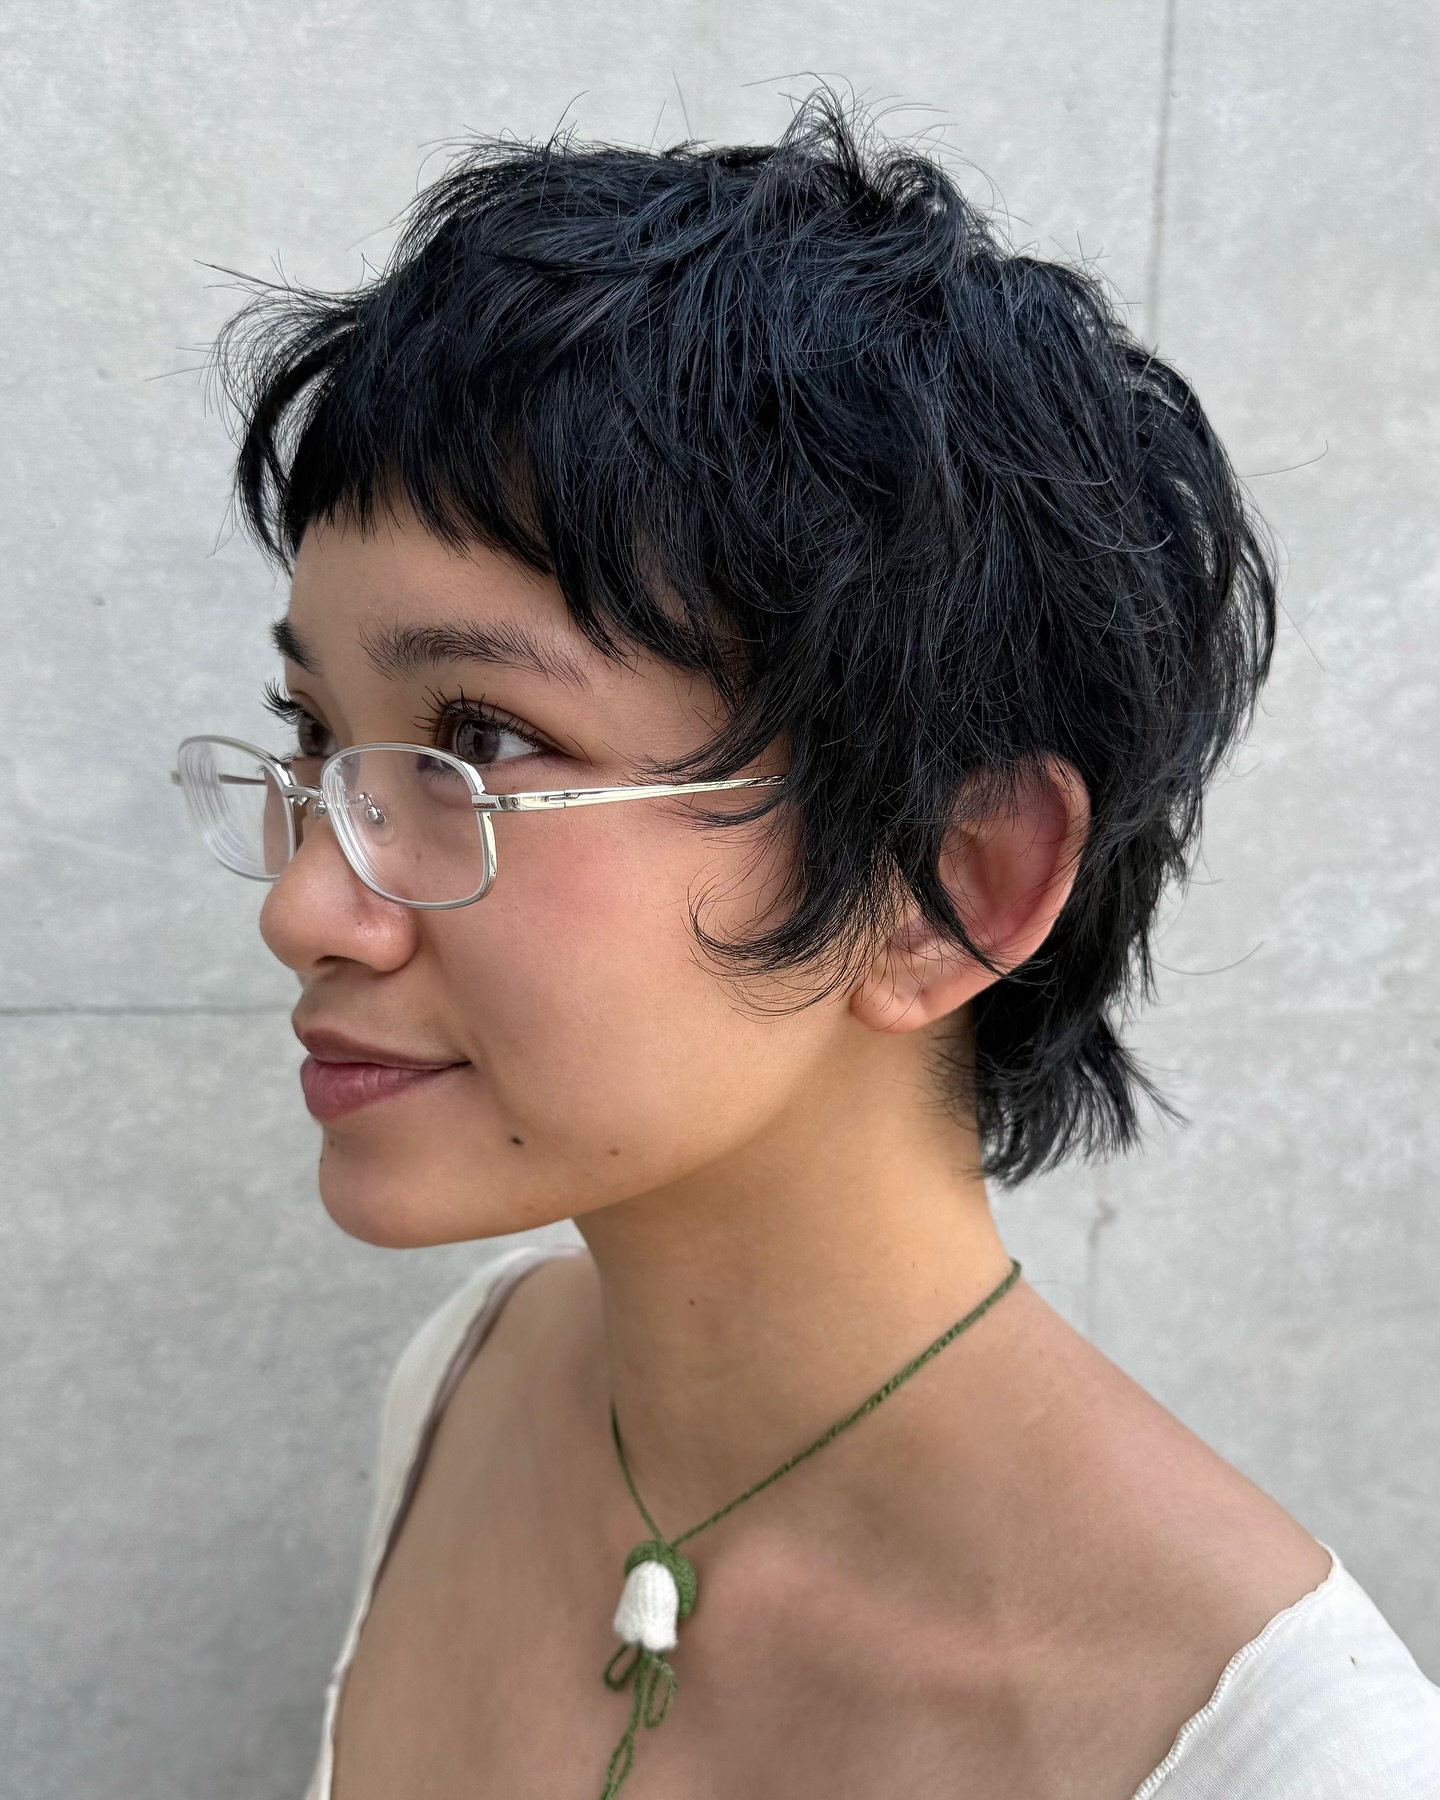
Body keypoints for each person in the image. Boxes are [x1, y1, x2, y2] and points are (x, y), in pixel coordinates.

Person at [178, 98, 1440, 1798]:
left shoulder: (1291, 1761)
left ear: (948, 884)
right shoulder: (475, 1377)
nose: (305, 904)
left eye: (483, 741)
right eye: (317, 736)